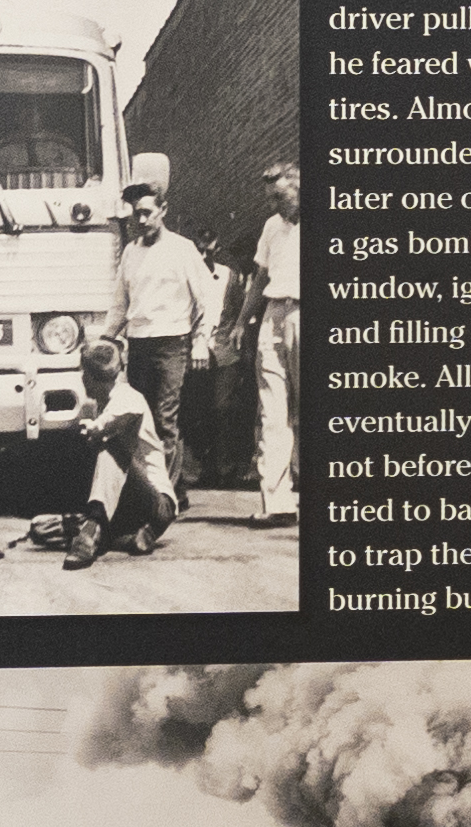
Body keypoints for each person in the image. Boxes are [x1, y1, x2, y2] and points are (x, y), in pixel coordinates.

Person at [105, 156, 229, 476]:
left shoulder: (183, 249)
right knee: (139, 418)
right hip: (139, 345)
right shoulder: (131, 252)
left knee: (164, 419)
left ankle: (168, 494)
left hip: (172, 345)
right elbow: (121, 303)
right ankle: (155, 489)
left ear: (164, 211)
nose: (142, 219)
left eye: (148, 212)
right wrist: (107, 338)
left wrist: (203, 341)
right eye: (137, 213)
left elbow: (209, 298)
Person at [58, 332, 177, 570]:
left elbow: (121, 417)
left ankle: (92, 529)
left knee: (110, 447)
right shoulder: (95, 406)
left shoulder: (128, 396)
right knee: (43, 528)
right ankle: (126, 538)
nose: (82, 379)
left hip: (156, 504)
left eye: (83, 373)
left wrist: (98, 428)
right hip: (126, 504)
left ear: (91, 376)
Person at [245, 160, 304, 525]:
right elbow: (260, 275)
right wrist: (241, 321)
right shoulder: (271, 226)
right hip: (272, 314)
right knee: (272, 410)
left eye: (279, 197)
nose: (274, 206)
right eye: (270, 199)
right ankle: (277, 504)